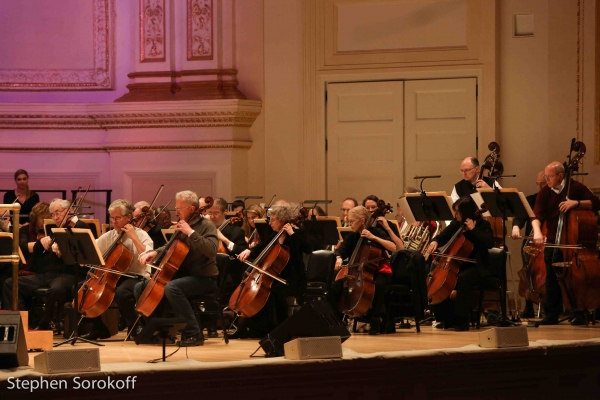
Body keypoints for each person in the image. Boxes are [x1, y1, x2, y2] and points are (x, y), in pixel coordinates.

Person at [137, 190, 218, 346]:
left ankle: (193, 333)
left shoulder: (206, 226)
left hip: (204, 278)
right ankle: (161, 331)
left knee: (172, 288)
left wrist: (191, 232)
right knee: (141, 287)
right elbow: (170, 247)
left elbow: (212, 250)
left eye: (179, 209)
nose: (176, 212)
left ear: (192, 209)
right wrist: (154, 253)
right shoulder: (181, 226)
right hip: (183, 276)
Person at [2, 199, 89, 330]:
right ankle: (18, 325)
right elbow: (39, 252)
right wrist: (41, 242)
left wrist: (63, 249)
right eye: (53, 214)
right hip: (46, 275)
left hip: (67, 274)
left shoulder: (80, 227)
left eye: (58, 213)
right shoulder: (55, 230)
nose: (55, 217)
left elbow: (82, 254)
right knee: (11, 283)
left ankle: (44, 324)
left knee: (56, 290)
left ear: (69, 211)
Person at [531, 162, 600, 325]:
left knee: (576, 278)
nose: (546, 179)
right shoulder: (544, 192)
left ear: (561, 176)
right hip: (554, 239)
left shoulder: (575, 188)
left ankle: (580, 311)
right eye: (546, 176)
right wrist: (538, 232)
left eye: (549, 176)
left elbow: (596, 203)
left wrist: (576, 203)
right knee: (552, 280)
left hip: (573, 242)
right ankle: (552, 314)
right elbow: (536, 216)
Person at [234, 204, 312, 338]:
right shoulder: (275, 236)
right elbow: (261, 248)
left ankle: (276, 328)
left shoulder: (297, 234)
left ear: (283, 220)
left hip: (292, 280)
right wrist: (248, 251)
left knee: (273, 292)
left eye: (273, 219)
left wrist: (292, 234)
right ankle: (250, 328)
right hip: (275, 277)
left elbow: (307, 249)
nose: (269, 222)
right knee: (260, 288)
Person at [80, 199, 153, 340]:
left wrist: (133, 237)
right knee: (83, 289)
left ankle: (134, 326)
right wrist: (86, 258)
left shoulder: (142, 235)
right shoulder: (110, 235)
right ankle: (99, 328)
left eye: (118, 218)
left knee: (122, 293)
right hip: (114, 276)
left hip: (136, 276)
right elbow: (92, 248)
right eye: (112, 218)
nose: (114, 221)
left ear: (129, 217)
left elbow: (148, 255)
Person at [426, 196, 495, 331]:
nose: (455, 214)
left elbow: (489, 243)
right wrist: (435, 241)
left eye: (458, 212)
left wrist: (474, 229)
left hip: (477, 266)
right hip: (459, 264)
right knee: (439, 278)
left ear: (467, 211)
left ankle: (462, 320)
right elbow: (444, 235)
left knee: (463, 278)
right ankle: (445, 318)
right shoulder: (457, 223)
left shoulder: (482, 225)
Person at [327, 206, 396, 335]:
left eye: (352, 221)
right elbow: (340, 251)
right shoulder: (352, 237)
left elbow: (393, 246)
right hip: (358, 272)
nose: (349, 224)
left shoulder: (376, 231)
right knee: (335, 286)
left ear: (363, 220)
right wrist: (339, 258)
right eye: (348, 221)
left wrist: (373, 237)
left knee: (379, 286)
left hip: (379, 270)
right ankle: (336, 320)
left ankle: (376, 320)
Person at [510, 171, 546, 318]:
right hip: (530, 242)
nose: (539, 188)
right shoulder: (531, 200)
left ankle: (551, 306)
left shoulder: (553, 200)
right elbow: (519, 217)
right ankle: (528, 306)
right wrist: (516, 226)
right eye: (538, 184)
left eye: (542, 184)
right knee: (528, 270)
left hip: (547, 242)